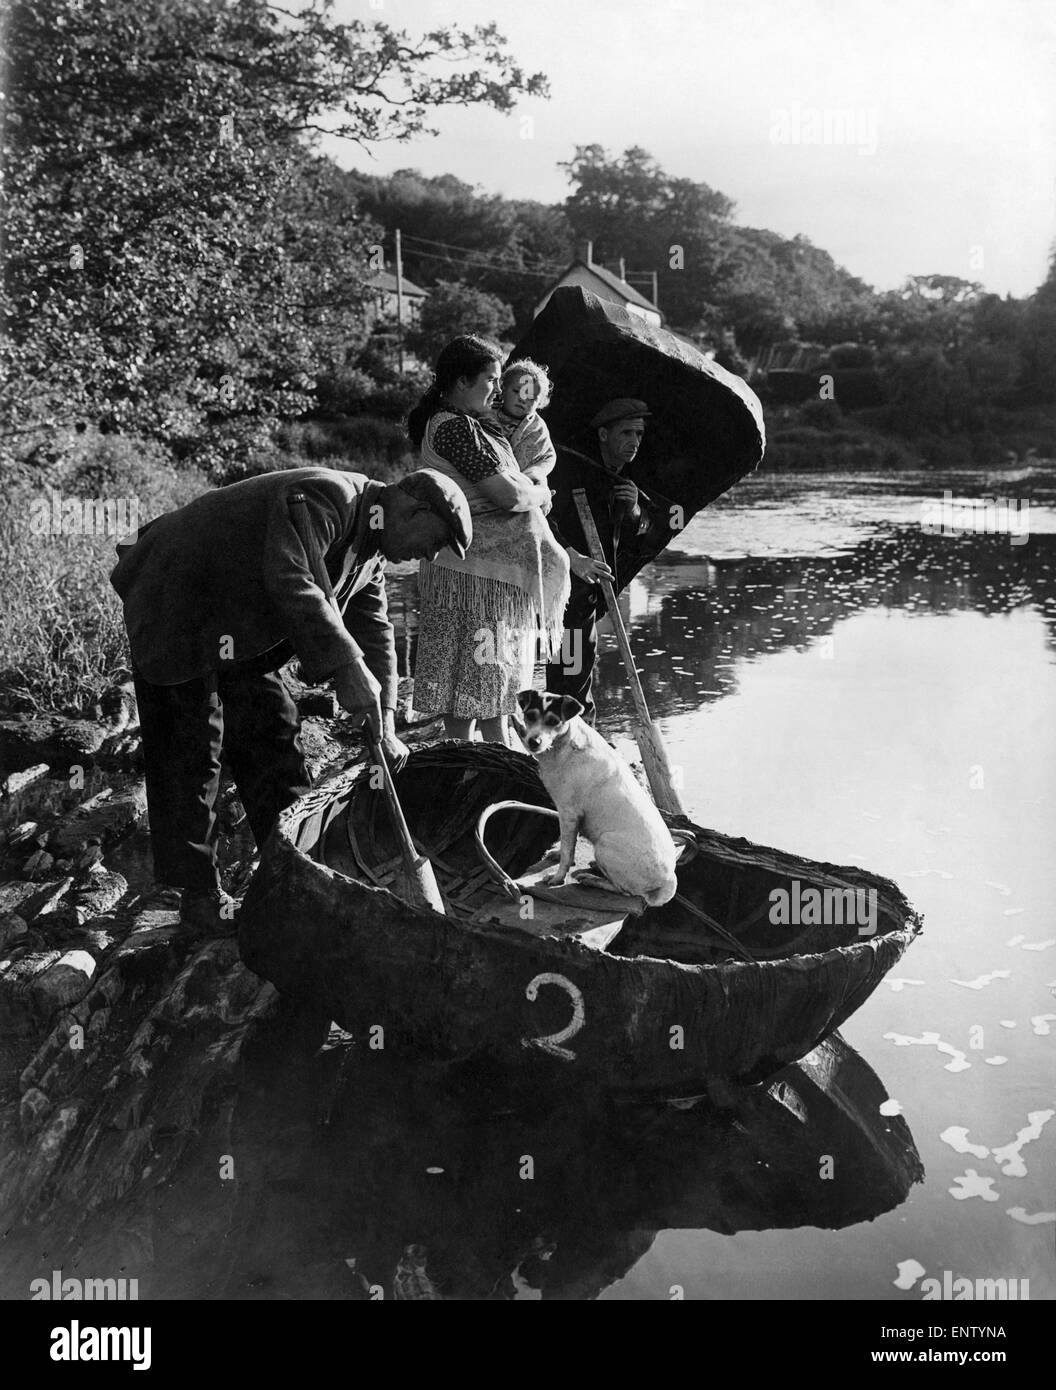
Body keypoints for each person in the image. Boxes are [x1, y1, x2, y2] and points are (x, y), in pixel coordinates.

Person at [110, 465, 471, 934]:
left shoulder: (371, 548)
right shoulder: (327, 498)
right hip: (175, 599)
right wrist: (345, 667)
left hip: (235, 626)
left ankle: (299, 869)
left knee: (274, 731)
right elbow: (291, 577)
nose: (431, 555)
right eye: (436, 541)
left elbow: (374, 628)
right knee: (193, 754)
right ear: (414, 509)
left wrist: (384, 715)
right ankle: (198, 899)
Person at [408, 337, 570, 747]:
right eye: (492, 380)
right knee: (485, 682)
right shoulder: (454, 428)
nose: (498, 391)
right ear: (462, 381)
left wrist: (529, 482)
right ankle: (483, 767)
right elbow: (509, 496)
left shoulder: (468, 424)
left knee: (482, 685)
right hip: (475, 576)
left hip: (477, 574)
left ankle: (480, 765)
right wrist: (541, 492)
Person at [545, 398, 661, 724]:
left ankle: (581, 742)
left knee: (577, 670)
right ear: (603, 435)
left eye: (639, 434)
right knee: (569, 673)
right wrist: (573, 558)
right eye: (626, 432)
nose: (634, 441)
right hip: (563, 592)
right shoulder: (570, 474)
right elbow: (543, 523)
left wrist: (635, 509)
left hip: (591, 596)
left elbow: (643, 540)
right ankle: (575, 746)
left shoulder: (626, 480)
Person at [484, 358, 557, 490]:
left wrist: (535, 474)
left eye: (530, 397)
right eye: (517, 391)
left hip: (525, 482)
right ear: (503, 388)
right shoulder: (486, 413)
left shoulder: (537, 428)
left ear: (540, 403)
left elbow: (546, 455)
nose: (522, 399)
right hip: (489, 477)